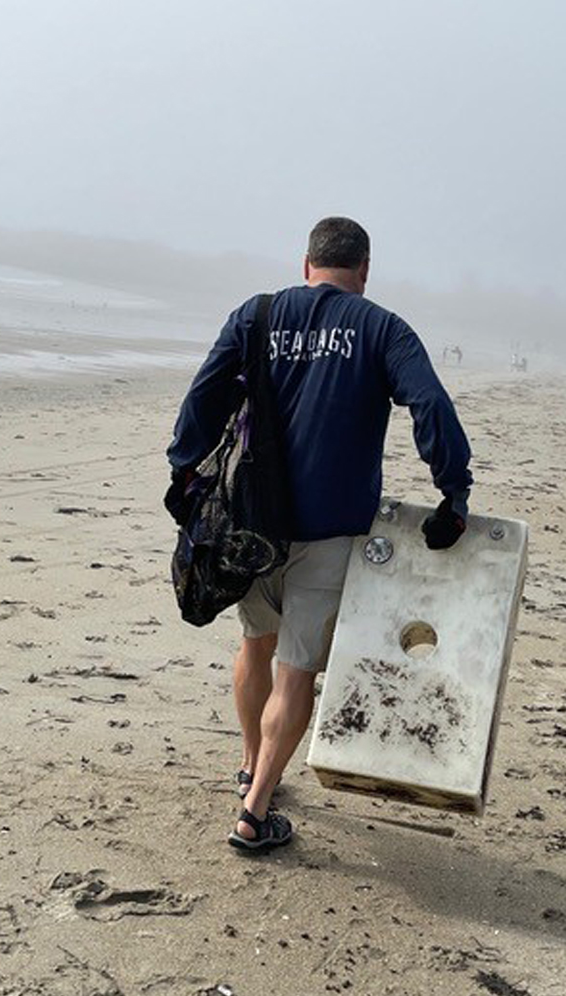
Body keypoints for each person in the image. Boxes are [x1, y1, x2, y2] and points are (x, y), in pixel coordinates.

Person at [166, 217, 472, 853]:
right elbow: (430, 405)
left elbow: (204, 396)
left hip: (253, 523)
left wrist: (183, 465)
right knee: (297, 670)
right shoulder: (383, 327)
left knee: (255, 643)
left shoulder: (256, 315)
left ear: (306, 264)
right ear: (363, 271)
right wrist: (453, 492)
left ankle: (254, 764)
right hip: (330, 529)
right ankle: (255, 809)